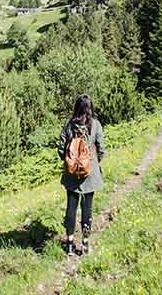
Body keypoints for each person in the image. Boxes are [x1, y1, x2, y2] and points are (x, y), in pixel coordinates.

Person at [59, 93, 105, 256]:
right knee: (87, 209)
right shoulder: (96, 125)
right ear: (90, 108)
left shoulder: (69, 125)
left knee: (71, 208)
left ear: (76, 108)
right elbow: (101, 150)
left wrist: (70, 164)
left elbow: (60, 149)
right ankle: (85, 244)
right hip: (90, 174)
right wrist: (93, 163)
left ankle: (70, 245)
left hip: (71, 175)